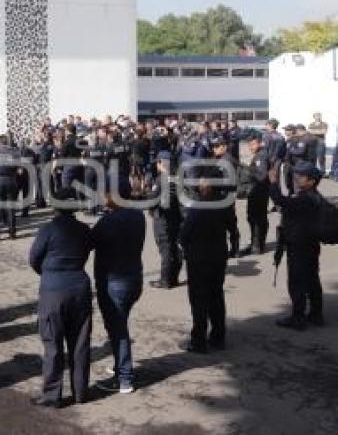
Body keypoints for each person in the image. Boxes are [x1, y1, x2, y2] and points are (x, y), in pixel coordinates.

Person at [28, 189, 93, 407]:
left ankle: (52, 396)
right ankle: (81, 392)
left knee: (53, 344)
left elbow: (34, 258)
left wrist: (48, 272)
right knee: (80, 343)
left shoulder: (48, 229)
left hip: (53, 289)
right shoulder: (85, 230)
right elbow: (85, 252)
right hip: (79, 286)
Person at [90, 182, 144, 394]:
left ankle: (124, 378)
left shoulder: (108, 221)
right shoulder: (137, 216)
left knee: (118, 330)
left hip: (114, 282)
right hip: (133, 279)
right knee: (119, 326)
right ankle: (120, 367)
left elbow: (90, 240)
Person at [179, 181, 235, 353]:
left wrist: (185, 246)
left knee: (199, 301)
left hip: (199, 259)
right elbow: (233, 229)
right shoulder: (224, 204)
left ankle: (199, 340)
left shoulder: (198, 207)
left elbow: (185, 233)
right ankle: (218, 336)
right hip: (218, 257)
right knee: (216, 297)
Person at [269, 162, 324, 330]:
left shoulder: (304, 198)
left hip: (300, 246)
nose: (297, 178)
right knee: (312, 279)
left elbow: (281, 201)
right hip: (310, 244)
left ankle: (298, 317)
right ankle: (316, 314)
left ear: (312, 181)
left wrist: (273, 183)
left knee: (297, 282)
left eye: (302, 176)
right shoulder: (315, 196)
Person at [148, 151, 183, 289]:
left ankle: (165, 280)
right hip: (176, 217)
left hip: (162, 218)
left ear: (162, 163)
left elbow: (152, 199)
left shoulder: (161, 179)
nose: (156, 165)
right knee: (173, 247)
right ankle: (173, 277)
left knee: (165, 248)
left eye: (158, 162)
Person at [239, 134, 270, 256]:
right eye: (249, 145)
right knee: (257, 218)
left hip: (258, 191)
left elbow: (261, 176)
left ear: (260, 143)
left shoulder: (260, 157)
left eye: (252, 144)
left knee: (256, 219)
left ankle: (256, 246)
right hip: (259, 191)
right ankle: (257, 244)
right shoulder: (260, 154)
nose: (250, 147)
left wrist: (248, 170)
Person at [0, 135, 20, 240]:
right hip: (11, 180)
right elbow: (20, 170)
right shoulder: (15, 153)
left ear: (0, 143)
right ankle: (12, 233)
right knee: (11, 208)